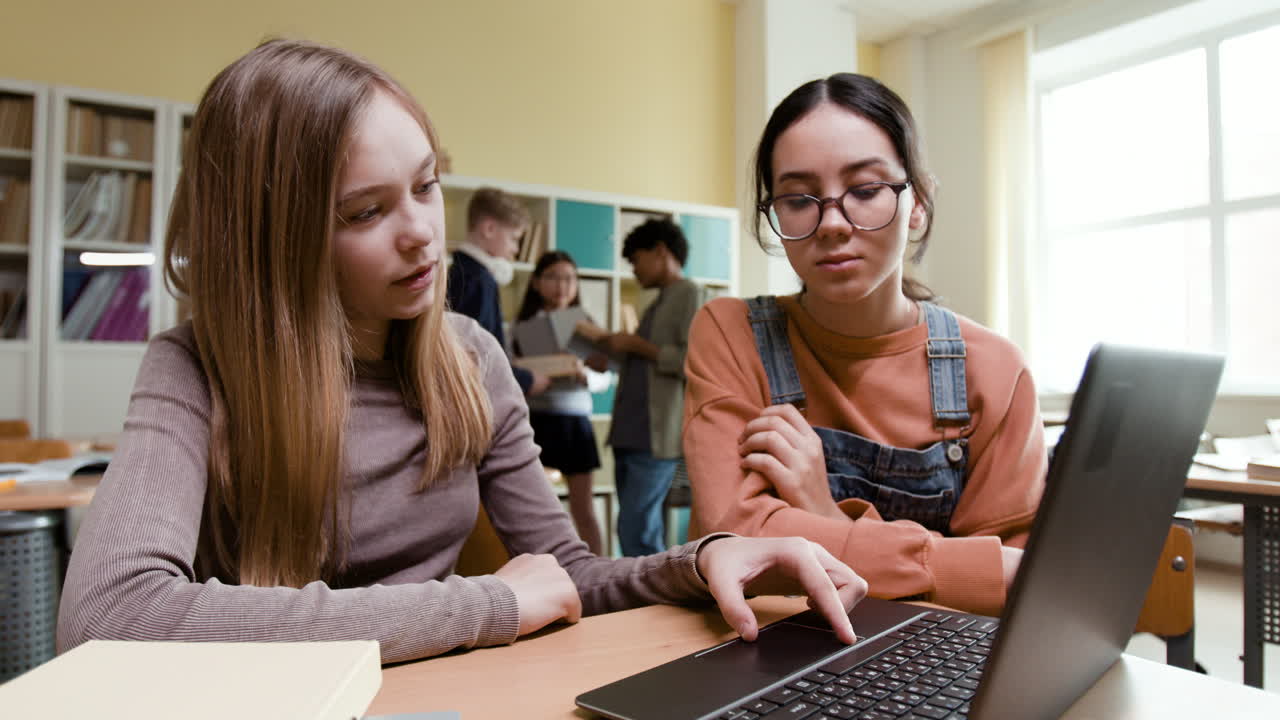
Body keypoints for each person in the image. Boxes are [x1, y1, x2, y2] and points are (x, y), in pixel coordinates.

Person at [55, 39, 868, 664]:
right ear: (276, 245)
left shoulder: (471, 357)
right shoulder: (194, 364)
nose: (422, 233)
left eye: (426, 184)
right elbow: (112, 617)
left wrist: (706, 560)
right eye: (366, 212)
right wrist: (484, 606)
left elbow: (561, 575)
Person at [683, 72, 1047, 618]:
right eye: (799, 198)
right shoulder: (729, 333)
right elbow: (738, 539)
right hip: (766, 644)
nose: (831, 223)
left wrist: (825, 516)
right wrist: (948, 565)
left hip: (936, 658)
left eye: (867, 190)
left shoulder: (994, 370)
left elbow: (1012, 585)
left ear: (917, 203)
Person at [599, 218, 706, 557]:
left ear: (660, 251)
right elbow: (649, 364)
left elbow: (695, 361)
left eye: (636, 260)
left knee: (637, 530)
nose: (634, 271)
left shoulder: (690, 294)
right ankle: (647, 597)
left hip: (654, 436)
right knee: (634, 528)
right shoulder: (658, 300)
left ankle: (644, 602)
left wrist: (635, 345)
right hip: (630, 433)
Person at [513, 250, 610, 555]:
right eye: (553, 277)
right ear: (537, 283)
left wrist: (587, 375)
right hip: (538, 422)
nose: (562, 285)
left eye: (569, 278)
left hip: (576, 425)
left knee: (583, 509)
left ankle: (599, 571)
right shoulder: (520, 327)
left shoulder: (584, 324)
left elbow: (606, 376)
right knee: (539, 511)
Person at [446, 186, 549, 397]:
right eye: (514, 238)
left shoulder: (459, 271)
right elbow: (478, 354)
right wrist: (526, 380)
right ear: (489, 229)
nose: (516, 249)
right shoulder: (480, 280)